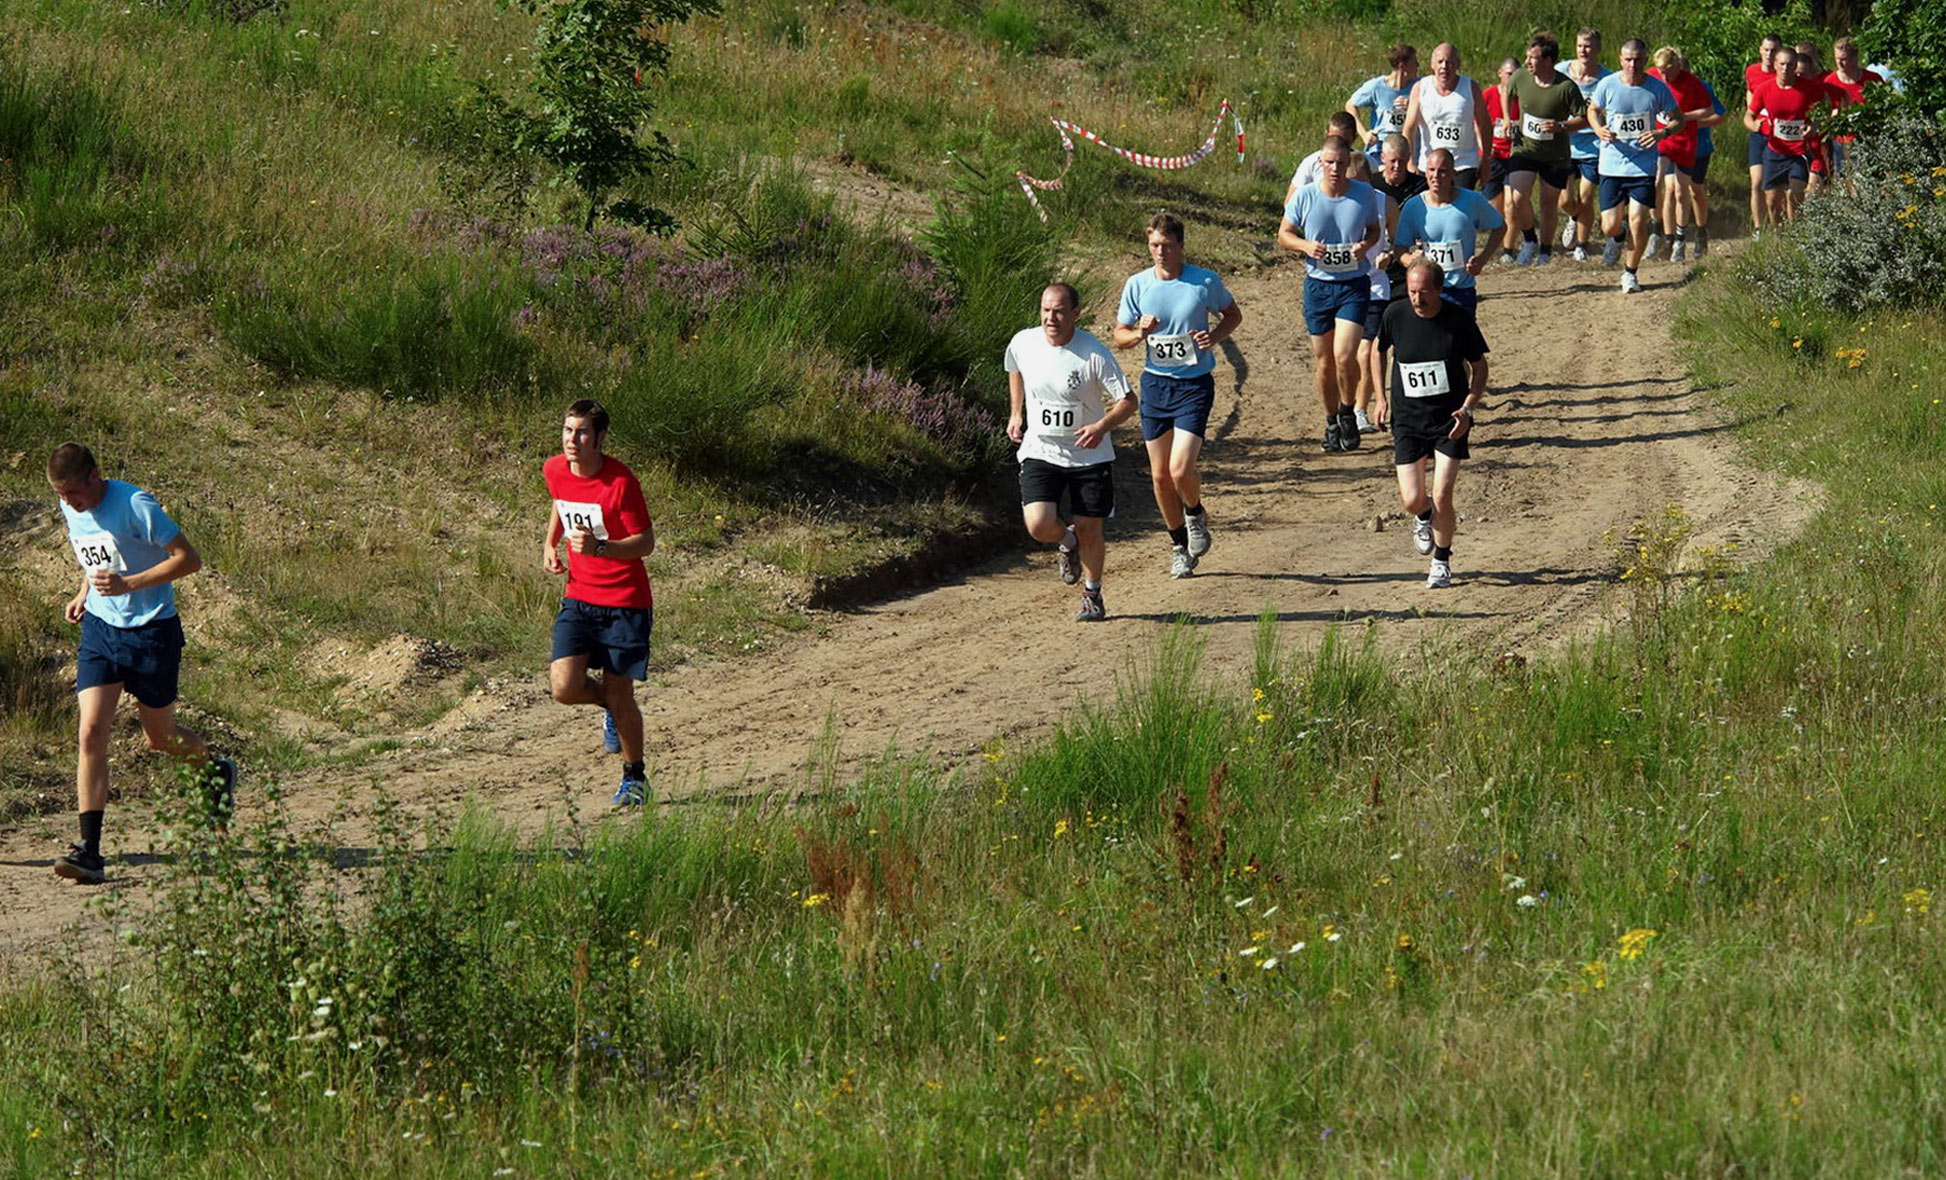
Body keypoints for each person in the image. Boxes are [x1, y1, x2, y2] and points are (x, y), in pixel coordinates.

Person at [47, 443, 237, 885]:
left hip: (152, 632)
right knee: (91, 732)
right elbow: (96, 553)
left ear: (95, 476)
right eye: (61, 495)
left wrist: (128, 584)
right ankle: (89, 852)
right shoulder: (71, 505)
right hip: (101, 630)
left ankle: (215, 771)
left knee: (159, 737)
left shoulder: (135, 504)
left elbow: (188, 559)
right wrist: (85, 592)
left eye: (73, 492)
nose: (69, 502)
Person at [1113, 213, 1242, 578]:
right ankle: (1179, 547)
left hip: (1194, 385)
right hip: (1156, 386)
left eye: (1167, 246)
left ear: (1181, 246)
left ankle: (1195, 512)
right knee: (1159, 477)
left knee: (1180, 468)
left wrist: (1212, 338)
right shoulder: (1137, 285)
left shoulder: (1203, 281)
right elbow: (1120, 336)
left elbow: (1233, 315)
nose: (1160, 252)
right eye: (1154, 245)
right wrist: (1139, 333)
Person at [543, 398, 657, 806]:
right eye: (568, 430)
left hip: (625, 601)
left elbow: (646, 543)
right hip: (579, 596)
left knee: (621, 693)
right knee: (564, 687)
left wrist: (601, 548)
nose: (572, 440)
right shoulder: (554, 469)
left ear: (600, 438)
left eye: (582, 432)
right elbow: (560, 501)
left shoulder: (621, 481)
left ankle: (635, 779)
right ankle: (609, 705)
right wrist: (550, 543)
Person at [1005, 283, 1137, 621]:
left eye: (1060, 311)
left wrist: (1101, 427)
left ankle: (1092, 594)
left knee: (1090, 527)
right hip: (1041, 448)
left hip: (1088, 455)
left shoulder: (1093, 353)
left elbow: (1128, 402)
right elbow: (1014, 366)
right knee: (1038, 524)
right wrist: (1016, 413)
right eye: (1046, 310)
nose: (1051, 318)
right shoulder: (1024, 342)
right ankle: (1067, 541)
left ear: (1076, 313)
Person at [1375, 263, 1489, 590]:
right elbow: (1376, 351)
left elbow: (1480, 368)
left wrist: (1468, 408)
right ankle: (1423, 516)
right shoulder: (1395, 314)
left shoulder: (1458, 320)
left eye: (1423, 292)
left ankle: (1441, 560)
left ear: (1438, 289)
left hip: (1449, 421)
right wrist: (1379, 398)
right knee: (1412, 500)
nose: (1417, 298)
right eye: (1412, 291)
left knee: (1442, 493)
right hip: (1408, 420)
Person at [1278, 136, 1383, 454]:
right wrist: (1305, 246)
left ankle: (1348, 410)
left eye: (1340, 163)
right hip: (1318, 286)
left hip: (1353, 285)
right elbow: (1284, 234)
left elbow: (1374, 230)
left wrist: (1365, 245)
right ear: (1320, 163)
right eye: (1329, 163)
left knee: (1344, 355)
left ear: (1348, 163)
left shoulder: (1364, 194)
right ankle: (1331, 421)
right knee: (1324, 362)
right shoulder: (1306, 196)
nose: (1335, 168)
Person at [1590, 39, 1683, 293]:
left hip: (1642, 166)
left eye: (1638, 60)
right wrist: (1598, 129)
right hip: (1611, 165)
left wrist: (1662, 133)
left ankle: (1630, 273)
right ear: (1620, 60)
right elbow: (1593, 110)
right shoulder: (1607, 84)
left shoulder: (1657, 89)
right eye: (1628, 60)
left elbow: (1679, 120)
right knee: (1609, 225)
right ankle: (1617, 237)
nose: (1633, 65)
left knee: (1638, 220)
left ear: (1645, 60)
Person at [1503, 30, 1588, 267]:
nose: (1527, 62)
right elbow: (1507, 92)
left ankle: (1545, 251)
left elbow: (1584, 118)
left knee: (1549, 205)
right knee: (1518, 196)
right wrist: (1508, 118)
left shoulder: (1566, 87)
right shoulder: (1520, 77)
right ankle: (1530, 240)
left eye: (1533, 58)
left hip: (1554, 155)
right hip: (1525, 148)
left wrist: (1562, 126)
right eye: (1527, 57)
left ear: (1548, 60)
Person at [1359, 134, 1425, 434]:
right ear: (1382, 159)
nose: (1396, 166)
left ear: (1409, 159)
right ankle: (1366, 405)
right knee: (1372, 346)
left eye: (1402, 160)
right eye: (1392, 160)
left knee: (1402, 345)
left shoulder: (1420, 187)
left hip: (1404, 275)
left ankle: (1400, 403)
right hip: (1374, 277)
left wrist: (1414, 252)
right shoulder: (1370, 187)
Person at [1394, 148, 1504, 316]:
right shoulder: (1414, 206)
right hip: (1426, 290)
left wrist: (1483, 259)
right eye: (1431, 170)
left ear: (1453, 174)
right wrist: (1411, 260)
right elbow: (1400, 248)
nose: (1436, 176)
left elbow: (1500, 227)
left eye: (1443, 171)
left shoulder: (1472, 201)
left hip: (1460, 289)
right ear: (1425, 172)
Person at [1745, 46, 1827, 225]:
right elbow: (1748, 116)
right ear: (1775, 65)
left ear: (1795, 66)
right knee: (1772, 201)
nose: (1785, 69)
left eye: (1790, 65)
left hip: (1800, 152)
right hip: (1775, 152)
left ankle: (1795, 234)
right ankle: (1778, 234)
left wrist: (1815, 125)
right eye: (1782, 64)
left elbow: (1825, 108)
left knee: (1795, 195)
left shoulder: (1809, 87)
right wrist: (1754, 125)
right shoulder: (1765, 89)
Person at [1648, 48, 1716, 262]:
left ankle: (1680, 238)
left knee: (1680, 190)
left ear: (1677, 66)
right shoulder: (1651, 76)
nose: (1664, 76)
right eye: (1660, 71)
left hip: (1685, 141)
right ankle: (1656, 230)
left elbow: (1709, 110)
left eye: (1667, 71)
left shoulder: (1692, 83)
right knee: (1656, 181)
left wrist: (1684, 117)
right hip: (1661, 138)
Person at [1402, 43, 1494, 190]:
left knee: (1460, 203)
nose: (1444, 67)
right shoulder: (1421, 88)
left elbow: (1485, 125)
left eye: (1449, 62)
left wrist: (1486, 159)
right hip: (1430, 165)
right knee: (1431, 203)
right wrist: (1409, 161)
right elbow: (1409, 128)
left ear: (1457, 64)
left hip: (1463, 164)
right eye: (1440, 62)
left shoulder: (1470, 87)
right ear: (1432, 64)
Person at [1559, 28, 1610, 261]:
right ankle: (1574, 217)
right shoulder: (1561, 71)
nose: (1583, 50)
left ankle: (1582, 244)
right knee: (1565, 200)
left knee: (1586, 197)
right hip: (1564, 145)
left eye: (1588, 46)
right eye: (1580, 45)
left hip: (1593, 145)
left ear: (1598, 49)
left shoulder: (1607, 79)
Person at [1346, 45, 1420, 167]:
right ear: (1402, 66)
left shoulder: (1420, 86)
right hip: (1380, 150)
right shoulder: (1377, 87)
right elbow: (1350, 105)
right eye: (1414, 62)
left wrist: (1413, 105)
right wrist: (1364, 134)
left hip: (1410, 151)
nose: (1418, 65)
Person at [1823, 36, 1882, 179]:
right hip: (1841, 143)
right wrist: (1834, 116)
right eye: (1837, 58)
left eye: (1844, 59)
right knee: (1843, 182)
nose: (1839, 63)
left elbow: (1883, 110)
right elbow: (1824, 114)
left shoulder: (1873, 80)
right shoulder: (1829, 82)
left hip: (1867, 140)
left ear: (1855, 58)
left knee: (1867, 181)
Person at [1744, 33, 1785, 238]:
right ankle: (1759, 229)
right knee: (1756, 182)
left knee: (1777, 186)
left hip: (1780, 136)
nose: (1769, 54)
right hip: (1759, 134)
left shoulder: (1784, 73)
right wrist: (1752, 120)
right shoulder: (1752, 71)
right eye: (1766, 50)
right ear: (1760, 50)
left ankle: (1779, 226)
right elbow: (1750, 95)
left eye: (1773, 51)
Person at [1286, 111, 1372, 205]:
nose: (1338, 145)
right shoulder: (1311, 162)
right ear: (1326, 133)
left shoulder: (1366, 161)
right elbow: (1290, 202)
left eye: (1345, 142)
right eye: (1334, 138)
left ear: (1354, 137)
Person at [1685, 76, 1728, 256]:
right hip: (1669, 147)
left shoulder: (1701, 86)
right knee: (1669, 189)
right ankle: (1669, 237)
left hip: (1699, 148)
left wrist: (1696, 124)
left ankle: (1700, 231)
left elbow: (1720, 115)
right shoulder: (1660, 85)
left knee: (1695, 188)